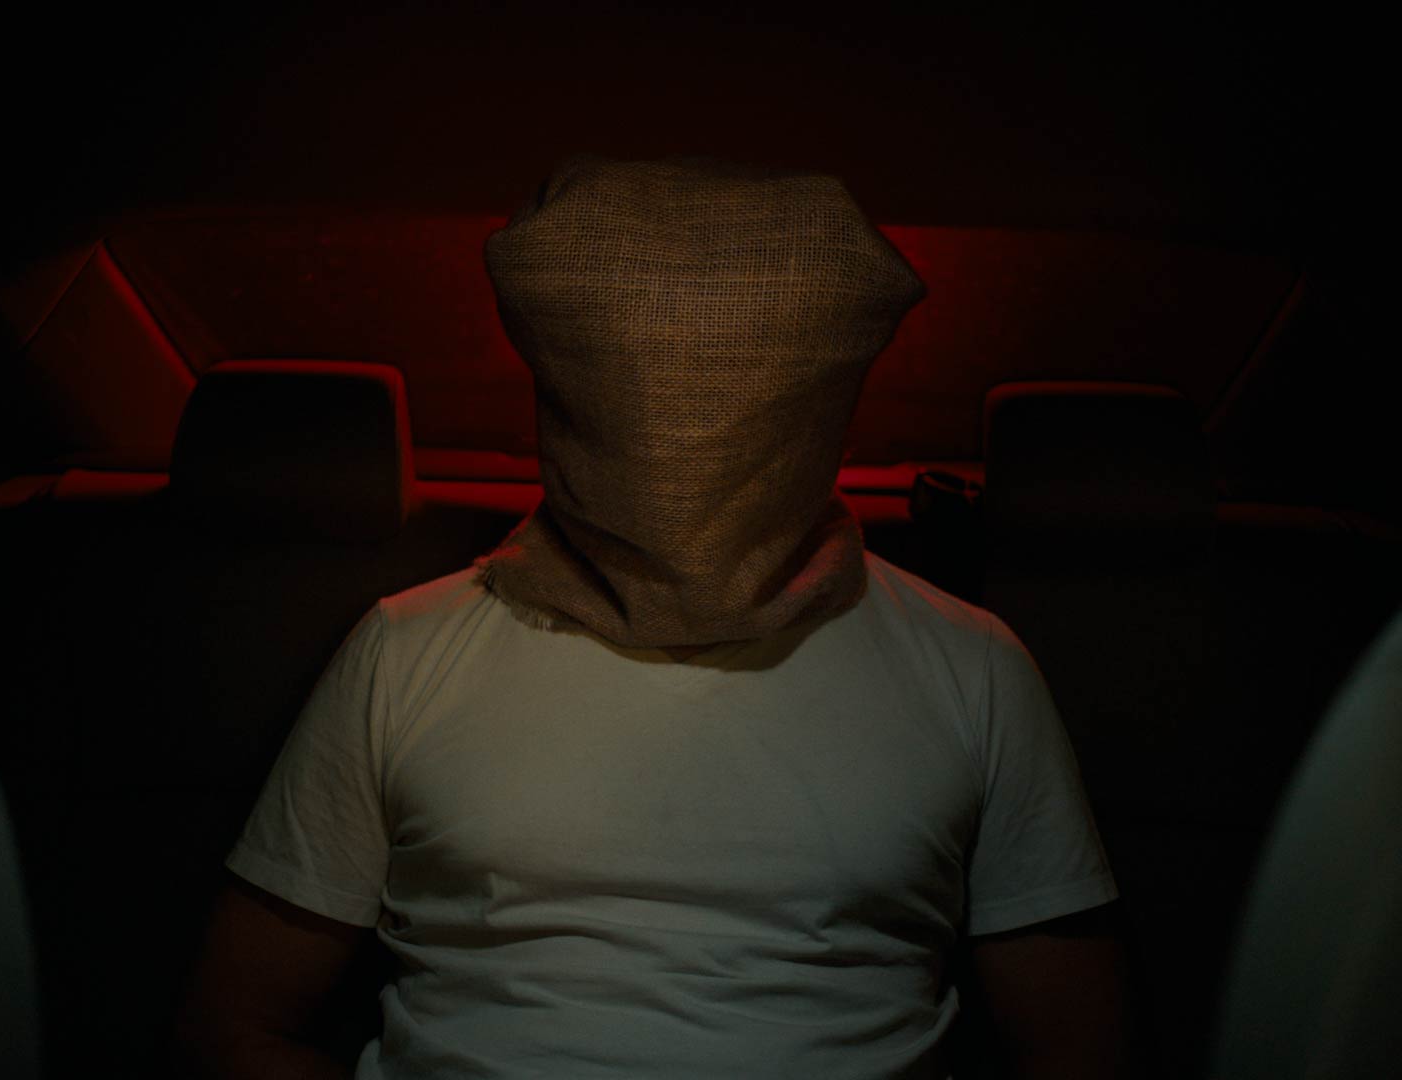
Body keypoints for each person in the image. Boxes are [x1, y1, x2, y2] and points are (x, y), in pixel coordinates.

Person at [176, 155, 1132, 1079]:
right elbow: (236, 1023)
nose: (684, 442)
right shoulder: (402, 650)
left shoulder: (973, 668)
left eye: (731, 392)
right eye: (650, 388)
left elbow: (1077, 1046)